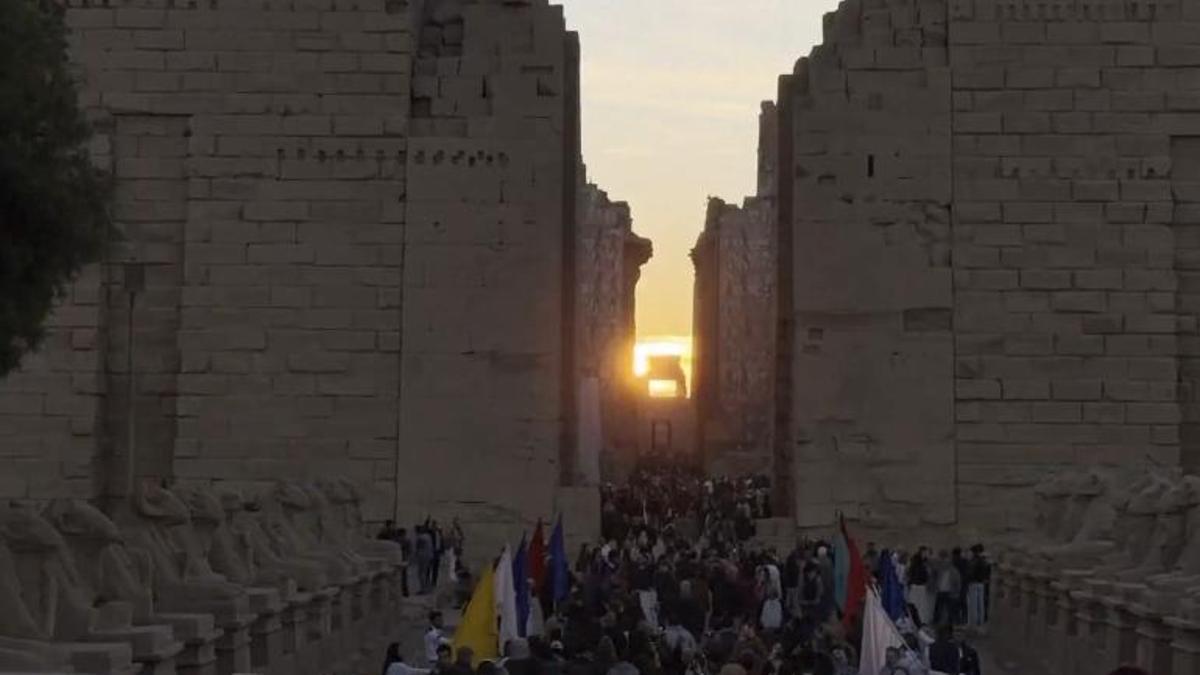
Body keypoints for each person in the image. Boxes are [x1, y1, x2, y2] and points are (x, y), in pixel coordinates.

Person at [965, 546, 989, 629]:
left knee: (973, 604)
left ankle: (973, 623)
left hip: (973, 583)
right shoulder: (984, 561)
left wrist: (968, 579)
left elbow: (970, 573)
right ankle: (980, 622)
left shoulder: (974, 561)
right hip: (981, 583)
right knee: (980, 604)